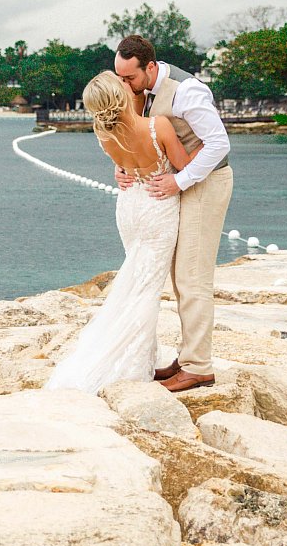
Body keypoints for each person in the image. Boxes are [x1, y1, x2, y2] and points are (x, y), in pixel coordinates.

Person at [45, 70, 200, 394]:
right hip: (157, 207)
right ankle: (132, 365)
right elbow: (186, 167)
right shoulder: (158, 126)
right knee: (146, 290)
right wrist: (210, 147)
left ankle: (142, 357)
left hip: (129, 208)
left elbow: (125, 163)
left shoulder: (103, 133)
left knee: (136, 284)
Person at [111, 34, 232, 393]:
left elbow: (219, 142)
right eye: (119, 77)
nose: (124, 84)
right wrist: (123, 167)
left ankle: (199, 367)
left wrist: (181, 181)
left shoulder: (186, 91)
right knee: (180, 276)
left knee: (193, 277)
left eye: (129, 78)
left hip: (206, 184)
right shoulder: (138, 89)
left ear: (149, 67)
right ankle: (187, 355)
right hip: (180, 182)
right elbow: (141, 139)